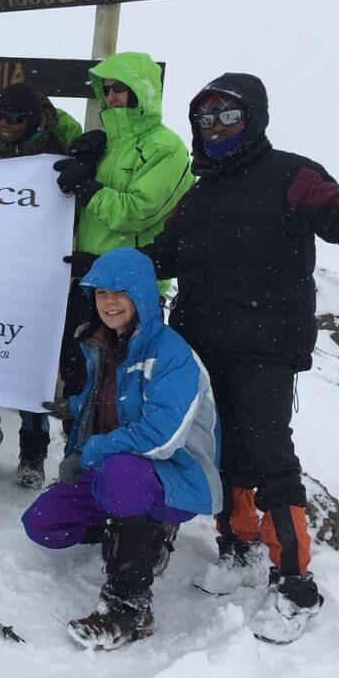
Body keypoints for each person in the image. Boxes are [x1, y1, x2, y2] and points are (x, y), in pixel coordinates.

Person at [151, 73, 339, 644]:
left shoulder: (290, 175)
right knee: (221, 451)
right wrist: (97, 268)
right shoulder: (198, 198)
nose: (216, 128)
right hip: (201, 345)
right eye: (206, 118)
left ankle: (294, 581)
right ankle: (238, 549)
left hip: (265, 348)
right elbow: (160, 258)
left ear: (255, 118)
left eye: (229, 116)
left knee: (269, 458)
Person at [22, 247, 221, 651]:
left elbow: (160, 438)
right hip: (121, 473)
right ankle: (138, 532)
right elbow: (110, 402)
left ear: (143, 295)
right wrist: (70, 406)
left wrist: (91, 451)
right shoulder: (104, 346)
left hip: (178, 476)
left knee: (120, 471)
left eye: (120, 292)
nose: (109, 302)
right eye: (100, 293)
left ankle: (129, 609)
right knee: (43, 522)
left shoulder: (172, 354)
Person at [52, 52, 195, 413]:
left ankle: (112, 466)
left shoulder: (166, 147)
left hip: (134, 288)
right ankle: (79, 464)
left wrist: (88, 188)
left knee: (120, 390)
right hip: (87, 280)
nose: (112, 96)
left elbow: (137, 211)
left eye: (121, 89)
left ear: (141, 92)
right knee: (79, 380)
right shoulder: (106, 144)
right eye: (107, 89)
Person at [0, 82, 79, 489]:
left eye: (13, 118)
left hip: (36, 276)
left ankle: (33, 451)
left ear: (32, 121)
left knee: (31, 365)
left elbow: (70, 212)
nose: (3, 124)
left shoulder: (56, 156)